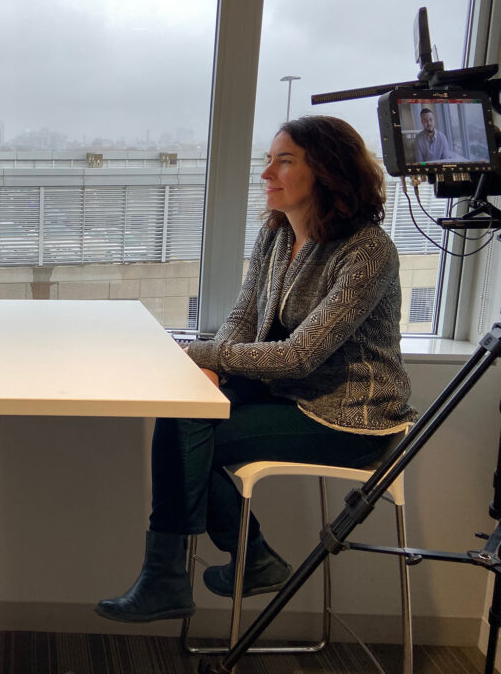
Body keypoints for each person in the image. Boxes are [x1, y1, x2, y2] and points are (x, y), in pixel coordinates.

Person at [96, 115, 416, 623]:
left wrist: (200, 358)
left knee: (186, 439)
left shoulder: (368, 251)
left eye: (283, 162)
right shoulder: (275, 237)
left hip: (350, 418)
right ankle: (240, 561)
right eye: (268, 161)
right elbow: (242, 320)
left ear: (328, 172)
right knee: (183, 411)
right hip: (287, 396)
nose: (266, 174)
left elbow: (299, 355)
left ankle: (194, 571)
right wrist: (216, 375)